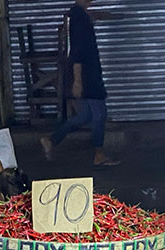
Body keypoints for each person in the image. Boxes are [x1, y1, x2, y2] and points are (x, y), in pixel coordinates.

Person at [41, 0, 119, 167]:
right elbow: (77, 51)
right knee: (99, 113)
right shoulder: (80, 19)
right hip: (87, 76)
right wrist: (77, 81)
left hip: (86, 74)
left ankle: (52, 140)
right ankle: (99, 154)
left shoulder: (79, 15)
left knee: (85, 116)